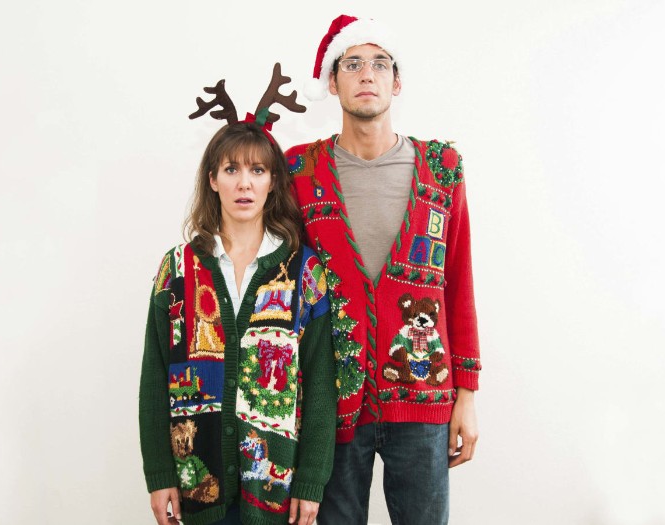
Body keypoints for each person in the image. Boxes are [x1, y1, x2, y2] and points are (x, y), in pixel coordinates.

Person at [285, 14, 482, 525]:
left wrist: (467, 395)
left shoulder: (441, 170)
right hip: (329, 402)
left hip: (422, 398)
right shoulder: (299, 173)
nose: (366, 74)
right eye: (352, 64)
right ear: (333, 81)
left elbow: (458, 283)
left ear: (396, 82)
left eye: (378, 64)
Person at [139, 78, 337, 525]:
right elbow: (155, 373)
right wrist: (159, 473)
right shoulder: (178, 270)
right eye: (231, 170)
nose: (244, 184)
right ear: (212, 180)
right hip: (197, 484)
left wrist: (311, 480)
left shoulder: (303, 271)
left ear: (273, 182)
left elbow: (321, 381)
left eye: (257, 171)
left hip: (277, 492)